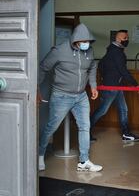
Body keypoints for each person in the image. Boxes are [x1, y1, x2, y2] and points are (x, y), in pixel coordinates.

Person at [38, 23, 103, 172]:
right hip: (61, 95)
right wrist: (35, 89)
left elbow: (93, 67)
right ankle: (39, 155)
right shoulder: (59, 50)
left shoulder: (89, 51)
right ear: (75, 40)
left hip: (81, 96)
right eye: (84, 41)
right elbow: (43, 67)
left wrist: (93, 85)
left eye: (88, 41)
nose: (87, 44)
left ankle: (84, 161)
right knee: (51, 127)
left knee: (85, 127)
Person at [90, 30, 139, 142]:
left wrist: (106, 78)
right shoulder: (117, 52)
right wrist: (135, 84)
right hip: (111, 87)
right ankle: (85, 131)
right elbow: (123, 71)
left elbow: (101, 65)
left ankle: (126, 134)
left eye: (127, 38)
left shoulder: (111, 51)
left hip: (116, 86)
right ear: (118, 39)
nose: (127, 40)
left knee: (123, 109)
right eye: (125, 38)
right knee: (102, 111)